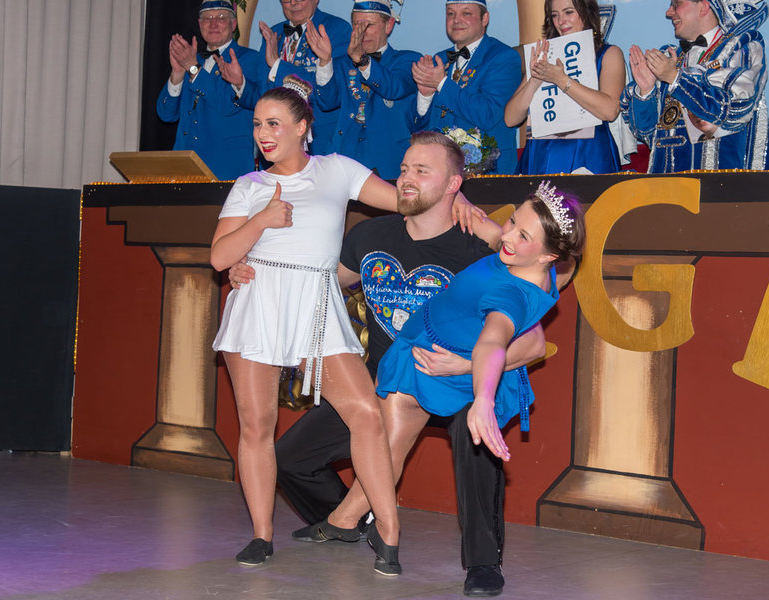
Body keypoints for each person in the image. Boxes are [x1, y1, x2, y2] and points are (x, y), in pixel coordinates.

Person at [229, 131, 545, 595]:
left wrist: (465, 368)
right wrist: (248, 268)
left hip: (456, 383)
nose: (406, 178)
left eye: (422, 171)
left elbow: (533, 341)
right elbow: (316, 281)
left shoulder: (477, 250)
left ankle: (482, 562)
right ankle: (355, 522)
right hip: (386, 382)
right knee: (291, 459)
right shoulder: (370, 235)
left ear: (454, 184)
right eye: (404, 169)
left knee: (476, 435)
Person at [323, 181, 585, 587]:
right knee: (389, 440)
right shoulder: (522, 256)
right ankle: (348, 520)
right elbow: (492, 232)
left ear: (549, 255)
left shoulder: (513, 293)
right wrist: (457, 198)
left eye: (522, 235)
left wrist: (481, 396)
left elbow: (494, 343)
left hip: (457, 369)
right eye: (513, 222)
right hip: (426, 351)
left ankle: (481, 562)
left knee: (462, 445)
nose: (508, 236)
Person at [209, 75, 406, 570]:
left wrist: (452, 198)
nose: (263, 133)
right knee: (257, 425)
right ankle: (261, 535)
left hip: (316, 302)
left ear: (303, 128)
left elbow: (404, 202)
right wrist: (261, 220)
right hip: (259, 301)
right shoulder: (249, 186)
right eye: (258, 124)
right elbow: (219, 258)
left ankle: (387, 531)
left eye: (274, 123)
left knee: (366, 412)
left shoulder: (337, 169)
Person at [620, 0, 769, 173]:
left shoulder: (741, 48)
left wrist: (676, 79)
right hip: (666, 183)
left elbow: (736, 107)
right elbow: (647, 133)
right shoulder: (669, 58)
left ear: (703, 7)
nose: (668, 12)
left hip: (720, 183)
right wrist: (646, 91)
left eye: (676, 4)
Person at [504, 0, 625, 175]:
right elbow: (510, 119)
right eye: (555, 15)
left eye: (569, 12)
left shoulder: (608, 53)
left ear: (586, 13)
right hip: (541, 154)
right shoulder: (545, 54)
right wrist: (535, 80)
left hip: (588, 153)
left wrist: (561, 80)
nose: (561, 21)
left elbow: (610, 111)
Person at [305, 0, 421, 179]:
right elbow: (327, 102)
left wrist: (361, 58)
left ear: (389, 25)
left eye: (368, 25)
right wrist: (325, 61)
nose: (361, 32)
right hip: (343, 161)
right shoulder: (342, 63)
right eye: (357, 25)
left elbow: (393, 88)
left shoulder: (407, 60)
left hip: (388, 165)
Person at [219, 0, 351, 155]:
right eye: (286, 0)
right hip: (275, 145)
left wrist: (277, 65)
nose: (293, 3)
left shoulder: (336, 29)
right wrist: (241, 84)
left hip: (318, 146)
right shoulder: (274, 33)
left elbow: (329, 96)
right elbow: (263, 95)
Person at [410, 1, 522, 174]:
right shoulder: (439, 59)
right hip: (439, 172)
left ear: (485, 18)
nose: (456, 20)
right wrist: (425, 96)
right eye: (450, 14)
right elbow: (417, 129)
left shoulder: (504, 57)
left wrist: (441, 84)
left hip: (488, 172)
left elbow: (488, 115)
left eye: (466, 13)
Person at [156, 0, 258, 180]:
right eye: (207, 18)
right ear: (199, 24)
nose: (213, 23)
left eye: (221, 17)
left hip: (227, 170)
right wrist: (177, 73)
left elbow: (228, 106)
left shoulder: (250, 59)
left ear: (234, 24)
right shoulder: (191, 59)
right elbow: (166, 114)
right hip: (184, 170)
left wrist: (193, 68)